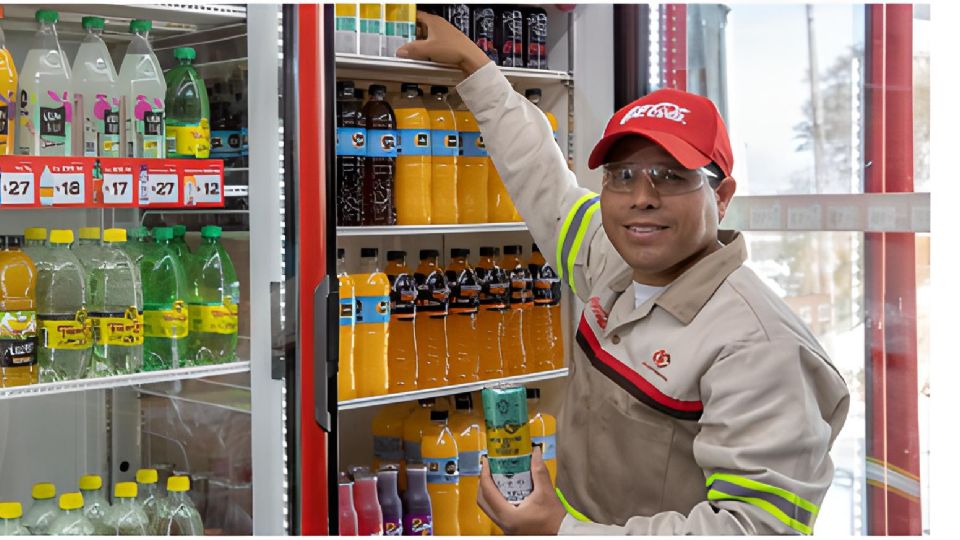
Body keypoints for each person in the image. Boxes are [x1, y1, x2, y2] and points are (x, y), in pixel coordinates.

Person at [397, 12, 850, 536]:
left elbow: (754, 530)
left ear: (721, 197)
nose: (641, 198)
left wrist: (562, 531)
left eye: (671, 177)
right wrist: (477, 68)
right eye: (622, 176)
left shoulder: (760, 348)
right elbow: (545, 184)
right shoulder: (618, 266)